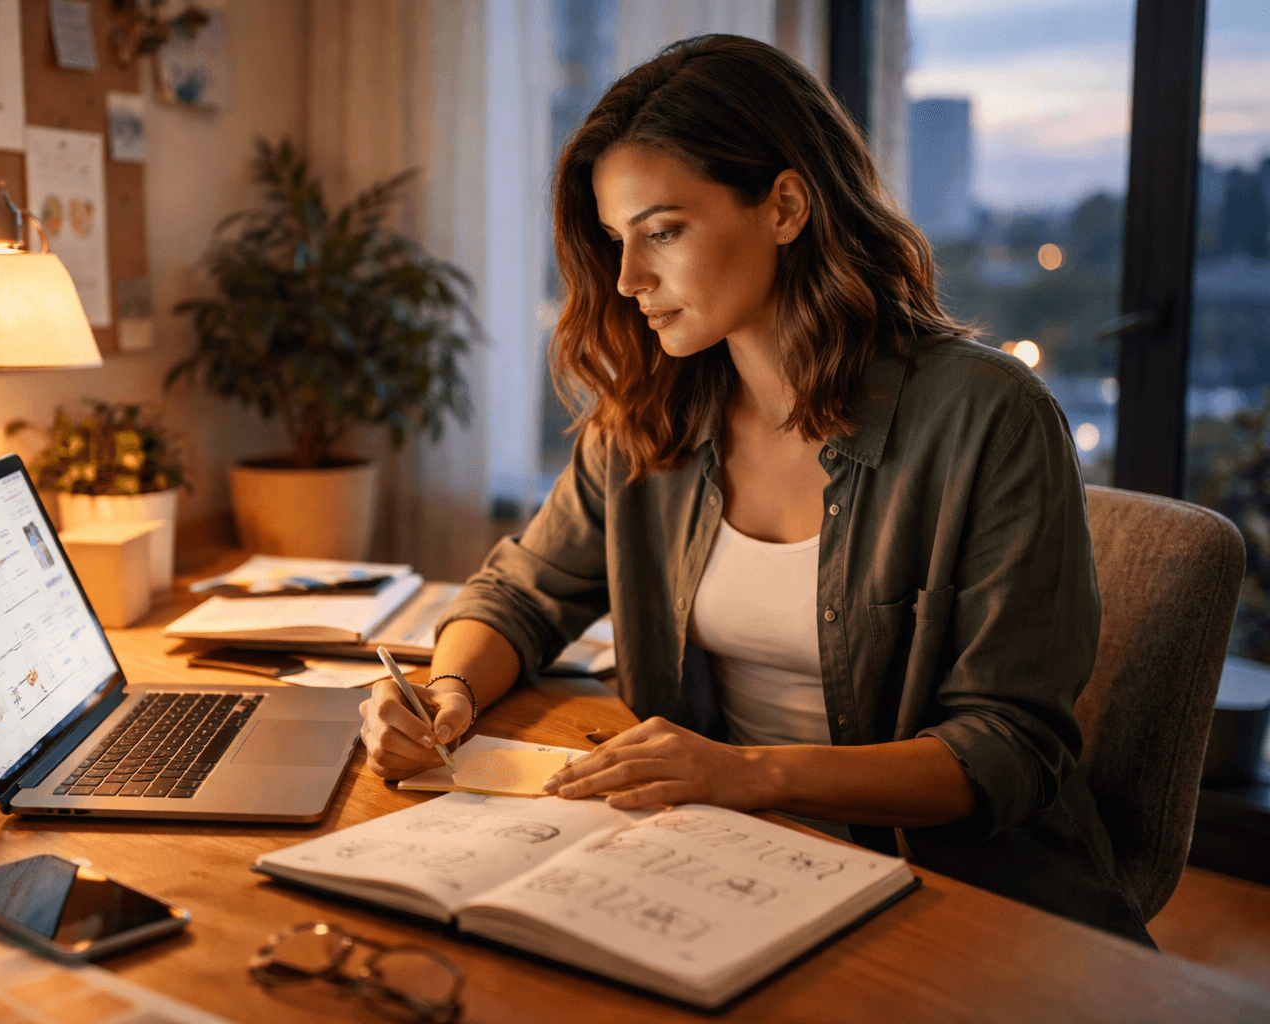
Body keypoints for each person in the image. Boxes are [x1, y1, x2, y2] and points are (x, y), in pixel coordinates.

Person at [359, 34, 1151, 943]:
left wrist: (748, 773)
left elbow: (1009, 748)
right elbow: (519, 594)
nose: (627, 280)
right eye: (618, 241)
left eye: (663, 231)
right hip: (722, 862)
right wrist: (445, 691)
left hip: (958, 897)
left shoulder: (989, 416)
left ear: (784, 206)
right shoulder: (648, 415)